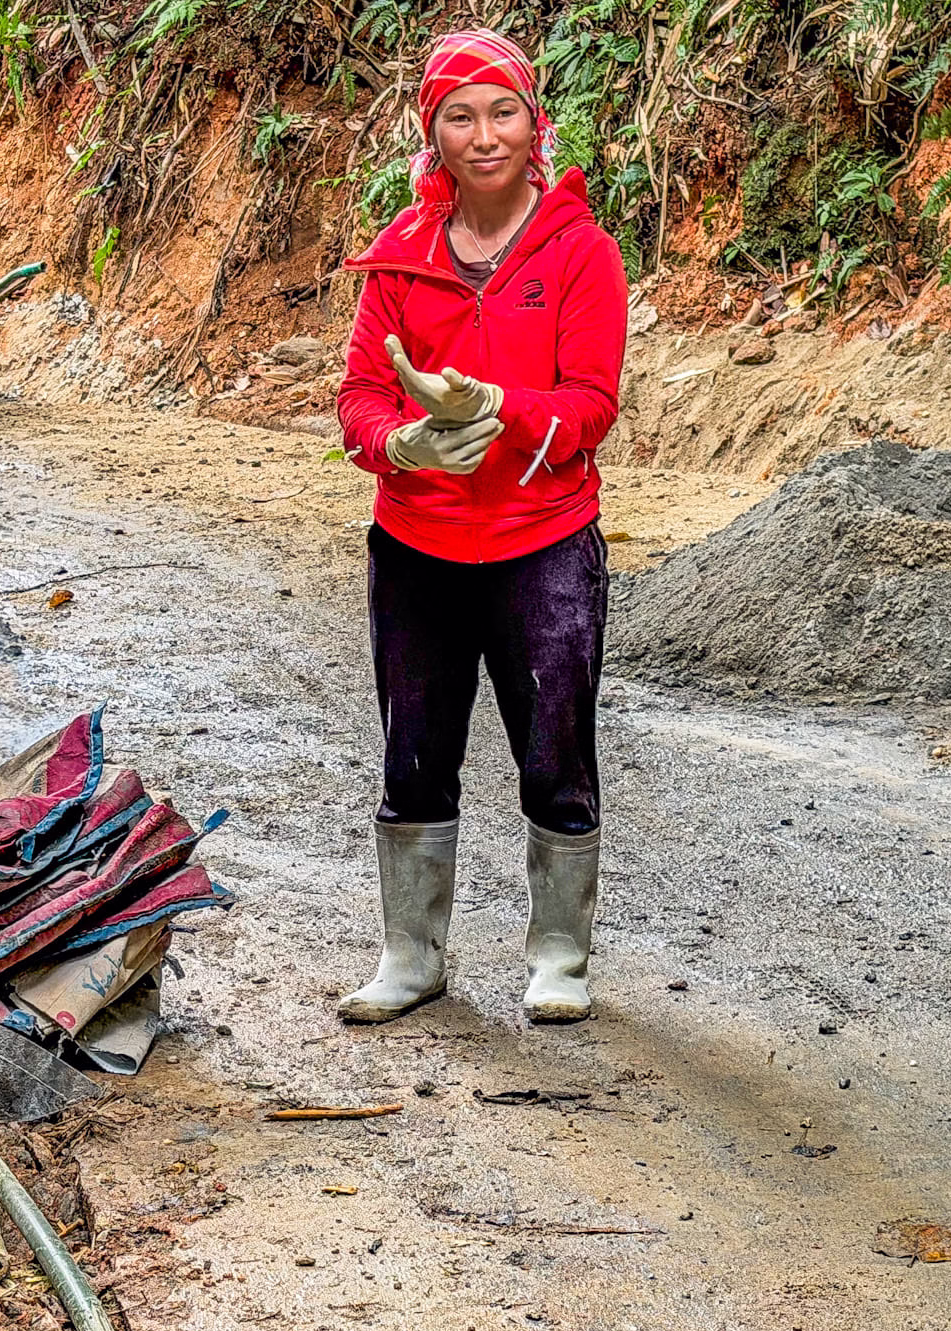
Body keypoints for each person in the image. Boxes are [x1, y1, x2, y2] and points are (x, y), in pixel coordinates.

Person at [335, 27, 629, 1024]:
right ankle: (410, 956)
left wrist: (497, 406)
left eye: (501, 110)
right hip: (414, 544)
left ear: (532, 123)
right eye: (458, 115)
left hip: (541, 542)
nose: (483, 134)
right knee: (411, 751)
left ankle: (559, 957)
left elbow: (590, 403)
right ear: (433, 135)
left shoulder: (580, 253)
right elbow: (360, 398)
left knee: (554, 746)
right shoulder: (400, 260)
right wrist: (405, 445)